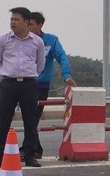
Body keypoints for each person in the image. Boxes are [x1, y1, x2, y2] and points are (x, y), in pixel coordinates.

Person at [0, 7, 45, 168]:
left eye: (16, 19)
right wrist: (6, 76)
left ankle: (29, 155)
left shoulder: (37, 42)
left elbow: (40, 65)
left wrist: (30, 75)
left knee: (30, 121)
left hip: (29, 84)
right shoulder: (3, 40)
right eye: (11, 19)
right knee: (3, 121)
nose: (13, 22)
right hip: (8, 84)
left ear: (27, 22)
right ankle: (0, 156)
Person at [23, 11, 77, 159]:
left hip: (40, 85)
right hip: (24, 84)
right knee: (28, 118)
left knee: (32, 118)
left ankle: (29, 149)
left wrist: (66, 75)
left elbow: (62, 57)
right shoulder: (22, 39)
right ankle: (35, 149)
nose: (28, 27)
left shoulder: (51, 40)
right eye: (27, 24)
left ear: (40, 25)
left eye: (31, 24)